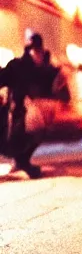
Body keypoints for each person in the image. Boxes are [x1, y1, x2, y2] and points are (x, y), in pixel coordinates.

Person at [0, 33, 61, 178]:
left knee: (34, 133)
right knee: (14, 137)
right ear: (30, 51)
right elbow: (3, 78)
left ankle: (22, 161)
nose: (38, 54)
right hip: (16, 112)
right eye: (35, 51)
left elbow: (52, 82)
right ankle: (20, 161)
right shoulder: (18, 66)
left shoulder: (42, 68)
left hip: (29, 113)